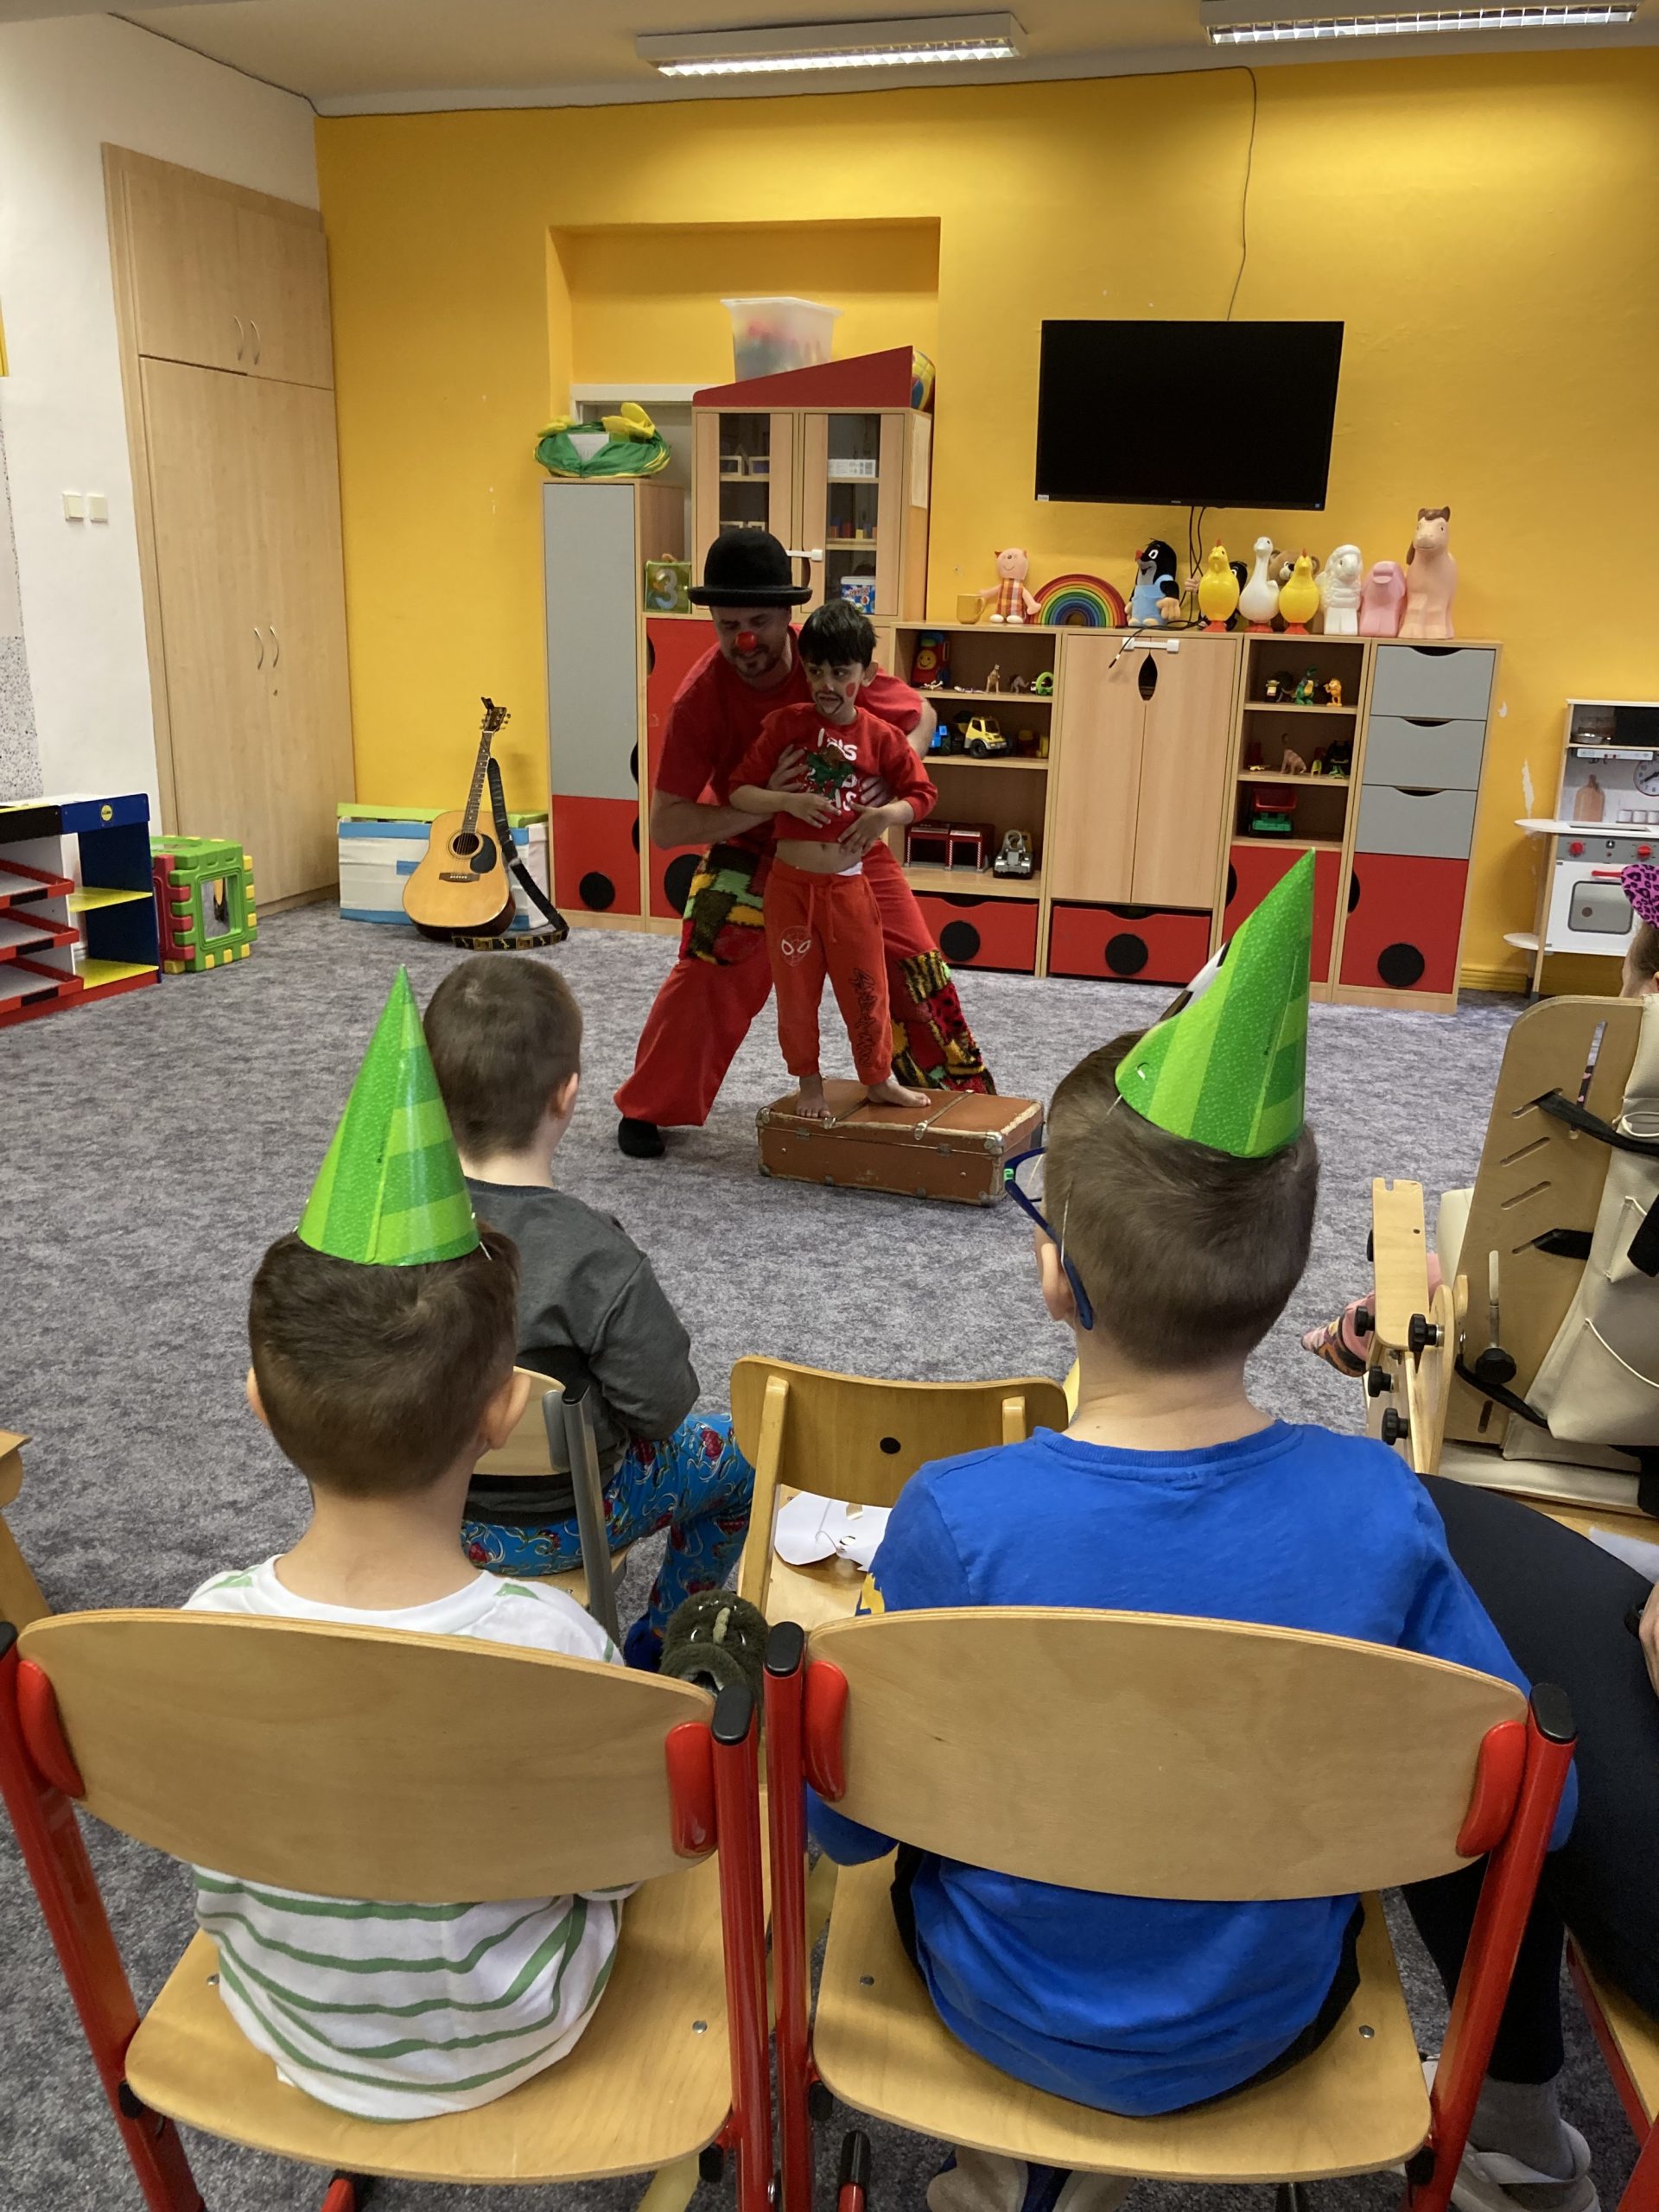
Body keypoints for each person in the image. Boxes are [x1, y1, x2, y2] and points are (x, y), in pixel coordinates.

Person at [807, 858, 1576, 2212]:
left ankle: (1013, 2165)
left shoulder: (957, 1518)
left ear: (1058, 1277)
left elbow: (849, 1827)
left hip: (996, 2009)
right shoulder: (1378, 1507)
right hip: (1261, 2025)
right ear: (1285, 1286)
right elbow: (1534, 1806)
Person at [187, 971, 631, 2120]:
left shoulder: (201, 1629)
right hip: (516, 2028)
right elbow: (617, 1863)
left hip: (283, 2018)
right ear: (504, 1411)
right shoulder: (558, 1644)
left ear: (257, 1402)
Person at [614, 528, 993, 1159]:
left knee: (915, 966)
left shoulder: (829, 659)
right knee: (711, 962)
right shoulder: (700, 699)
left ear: (786, 617)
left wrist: (886, 780)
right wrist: (766, 801)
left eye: (759, 623)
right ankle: (650, 1104)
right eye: (728, 625)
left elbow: (921, 715)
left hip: (846, 845)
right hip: (748, 843)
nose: (745, 641)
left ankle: (965, 1109)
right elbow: (667, 826)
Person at [425, 954, 753, 1670]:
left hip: (419, 1509)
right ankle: (663, 1642)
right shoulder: (595, 1255)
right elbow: (661, 1408)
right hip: (566, 1519)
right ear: (566, 1095)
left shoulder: (387, 1235)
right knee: (742, 1456)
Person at [1302, 860, 1659, 1376]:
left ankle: (1354, 1332)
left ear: (1652, 988)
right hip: (1637, 1306)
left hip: (1571, 1297)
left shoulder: (1601, 1089)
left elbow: (1535, 1201)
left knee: (1443, 1263)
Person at [728, 598, 937, 1120]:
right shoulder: (785, 726)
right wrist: (786, 801)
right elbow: (738, 791)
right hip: (790, 891)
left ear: (865, 674)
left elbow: (922, 796)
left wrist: (883, 816)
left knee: (867, 989)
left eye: (840, 672)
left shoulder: (881, 736)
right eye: (815, 670)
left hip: (849, 890)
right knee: (797, 996)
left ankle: (878, 1079)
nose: (826, 683)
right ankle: (809, 1084)